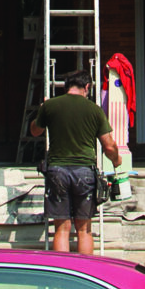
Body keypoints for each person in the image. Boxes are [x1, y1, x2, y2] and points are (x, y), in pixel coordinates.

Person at [33, 70, 126, 255]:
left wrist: (41, 109)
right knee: (84, 229)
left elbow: (35, 131)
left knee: (61, 229)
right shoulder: (94, 110)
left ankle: (62, 276)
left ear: (66, 86)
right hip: (84, 172)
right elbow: (109, 145)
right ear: (87, 87)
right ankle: (85, 273)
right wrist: (117, 160)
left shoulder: (50, 106)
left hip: (57, 171)